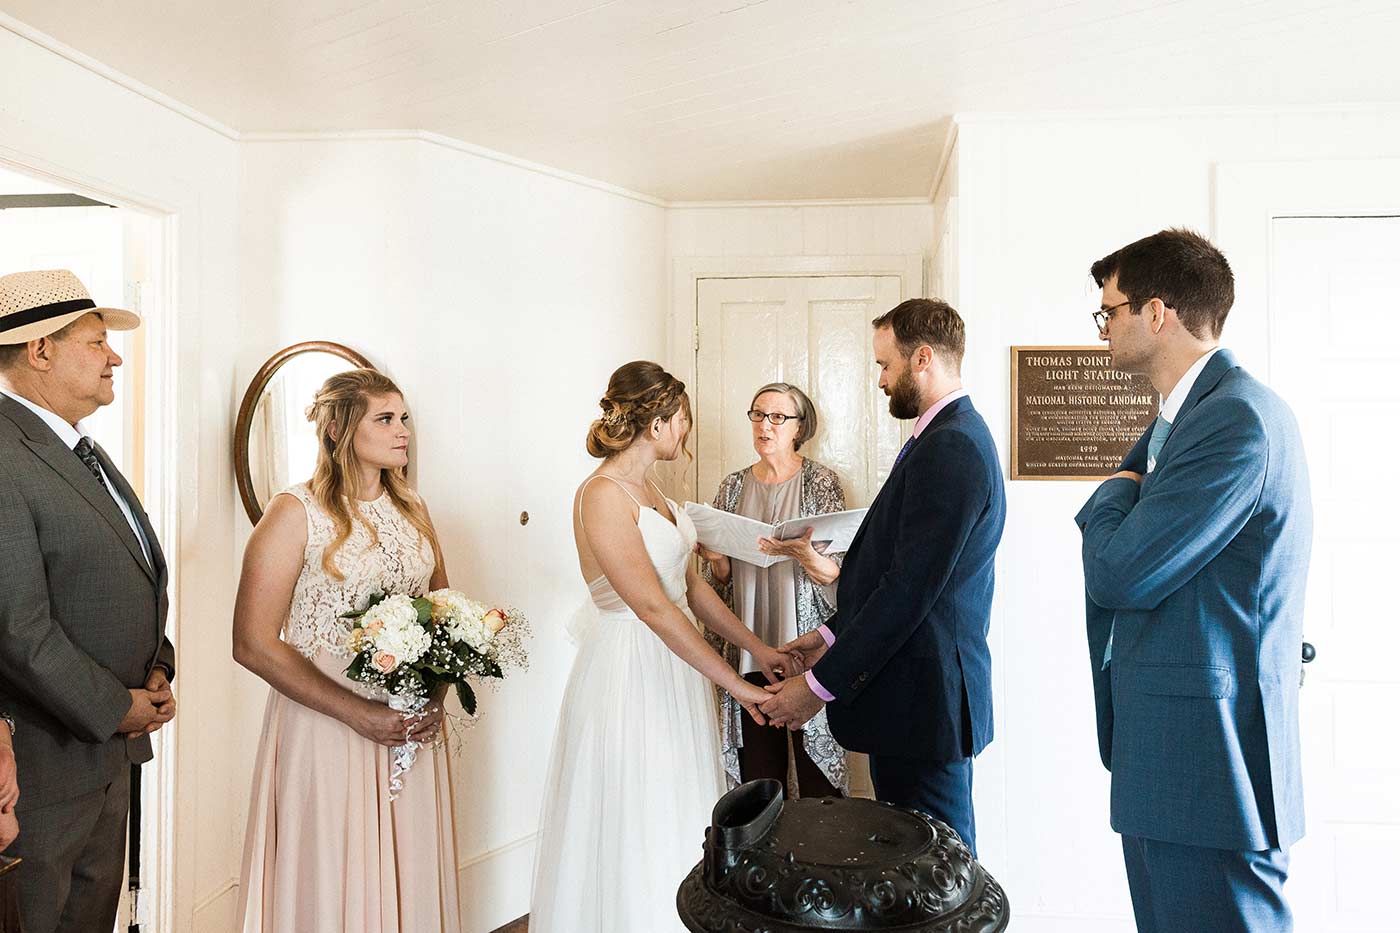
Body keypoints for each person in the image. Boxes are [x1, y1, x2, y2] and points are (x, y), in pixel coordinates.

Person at [1076, 229, 1312, 932]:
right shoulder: (1187, 421)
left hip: (1210, 768)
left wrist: (1116, 486)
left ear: (1157, 313)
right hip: (1179, 761)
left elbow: (1121, 572)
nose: (1104, 330)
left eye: (1109, 311)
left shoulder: (1234, 419)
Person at [531, 361, 796, 933]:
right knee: (636, 799)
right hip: (629, 665)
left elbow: (691, 589)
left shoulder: (656, 491)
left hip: (674, 664)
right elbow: (652, 607)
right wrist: (737, 684)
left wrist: (758, 650)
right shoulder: (601, 495)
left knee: (678, 792)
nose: (686, 433)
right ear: (658, 423)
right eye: (682, 421)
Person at [761, 299, 1005, 859]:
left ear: (922, 358)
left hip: (924, 702)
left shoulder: (953, 445)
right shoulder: (940, 437)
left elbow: (908, 591)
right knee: (914, 872)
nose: (880, 380)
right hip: (912, 702)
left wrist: (817, 688)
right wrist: (826, 635)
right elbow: (901, 577)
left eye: (885, 365)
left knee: (939, 876)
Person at [233, 369, 458, 932]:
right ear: (337, 427)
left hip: (409, 724)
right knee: (331, 862)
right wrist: (361, 714)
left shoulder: (414, 510)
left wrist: (436, 694)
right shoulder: (294, 513)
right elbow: (253, 644)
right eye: (384, 418)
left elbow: (444, 613)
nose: (402, 431)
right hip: (326, 723)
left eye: (404, 418)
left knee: (408, 860)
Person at [0, 269, 176, 932]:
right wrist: (115, 705)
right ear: (39, 350)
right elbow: (18, 627)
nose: (116, 356)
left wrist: (159, 666)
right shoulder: (4, 451)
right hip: (42, 773)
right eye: (97, 341)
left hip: (107, 758)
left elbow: (136, 576)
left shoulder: (80, 449)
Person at [698, 382, 848, 796]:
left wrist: (802, 554)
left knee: (820, 790)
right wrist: (715, 560)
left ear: (800, 427)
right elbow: (721, 581)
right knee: (760, 785)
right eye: (758, 415)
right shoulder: (730, 488)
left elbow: (837, 575)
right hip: (748, 652)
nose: (766, 425)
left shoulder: (821, 483)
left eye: (778, 417)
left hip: (805, 655)